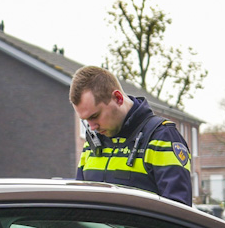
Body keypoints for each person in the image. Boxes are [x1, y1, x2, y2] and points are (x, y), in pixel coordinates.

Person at [70, 66, 194, 205]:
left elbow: (178, 211)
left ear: (118, 98)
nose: (92, 127)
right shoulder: (93, 142)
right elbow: (80, 206)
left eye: (95, 116)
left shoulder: (161, 138)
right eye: (85, 120)